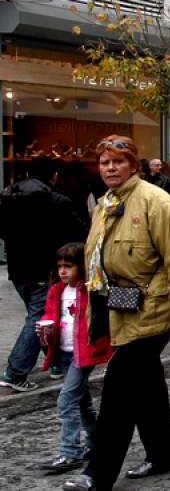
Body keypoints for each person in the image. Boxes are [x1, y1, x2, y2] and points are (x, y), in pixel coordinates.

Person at [63, 135, 170, 491]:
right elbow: (97, 258)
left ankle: (98, 474)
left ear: (133, 165)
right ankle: (164, 452)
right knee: (146, 382)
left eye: (118, 161)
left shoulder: (156, 201)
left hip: (154, 307)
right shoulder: (105, 203)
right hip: (120, 306)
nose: (111, 168)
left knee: (119, 388)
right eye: (105, 162)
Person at [0, 156, 87, 392]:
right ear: (54, 175)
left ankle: (56, 362)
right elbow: (79, 231)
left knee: (43, 313)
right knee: (40, 316)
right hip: (46, 268)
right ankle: (15, 371)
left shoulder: (8, 196)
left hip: (18, 269)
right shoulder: (57, 200)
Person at [36, 243, 113, 475]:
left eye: (68, 266)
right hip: (64, 351)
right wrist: (44, 330)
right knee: (81, 400)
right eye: (59, 266)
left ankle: (70, 452)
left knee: (66, 400)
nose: (62, 271)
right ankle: (96, 441)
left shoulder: (89, 290)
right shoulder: (57, 290)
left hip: (84, 353)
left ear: (81, 266)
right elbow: (50, 314)